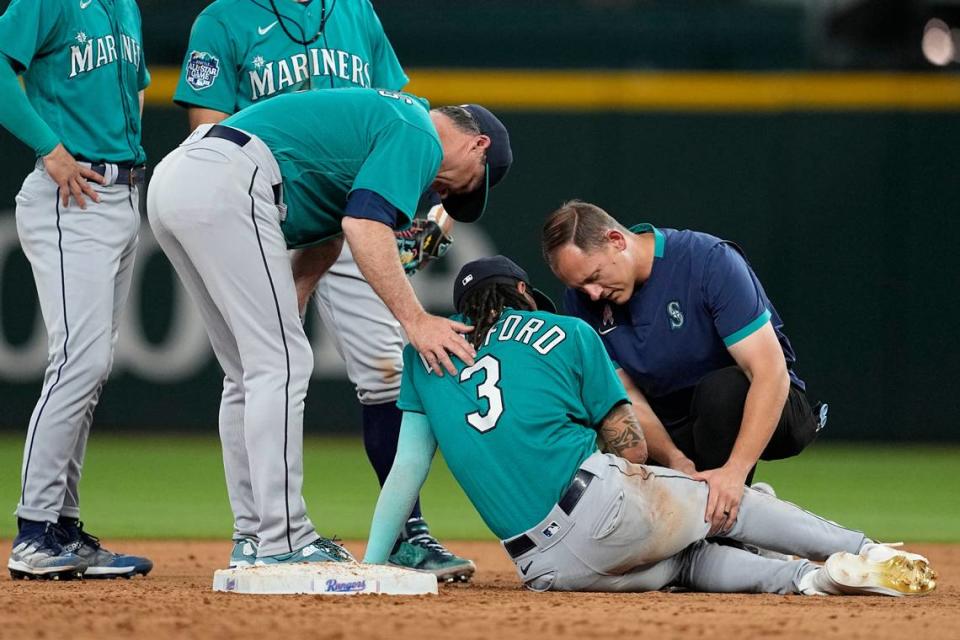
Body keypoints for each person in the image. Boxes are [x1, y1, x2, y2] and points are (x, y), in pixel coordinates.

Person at [362, 255, 937, 596]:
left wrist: (371, 566)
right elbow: (631, 443)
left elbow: (407, 468)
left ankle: (808, 582)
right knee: (722, 498)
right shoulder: (568, 333)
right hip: (602, 505)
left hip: (546, 569)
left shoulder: (426, 355)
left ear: (464, 314)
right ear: (520, 292)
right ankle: (866, 551)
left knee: (683, 564)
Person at [146, 87, 512, 567]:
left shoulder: (387, 124)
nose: (448, 194)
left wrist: (295, 292)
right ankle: (286, 539)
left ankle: (254, 537)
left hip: (178, 178)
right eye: (468, 185)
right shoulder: (417, 130)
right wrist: (416, 320)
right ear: (478, 145)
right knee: (281, 363)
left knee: (247, 372)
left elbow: (334, 230)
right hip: (230, 180)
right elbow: (364, 227)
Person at [172, 0, 470, 579]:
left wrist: (428, 213)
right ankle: (260, 531)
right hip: (265, 202)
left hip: (352, 218)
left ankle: (407, 531)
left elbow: (409, 114)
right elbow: (207, 132)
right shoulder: (224, 18)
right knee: (262, 365)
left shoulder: (355, 12)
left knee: (387, 369)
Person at [541, 200, 825, 534]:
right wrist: (675, 461)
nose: (591, 293)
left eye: (595, 277)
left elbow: (769, 371)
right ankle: (748, 511)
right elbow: (626, 395)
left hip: (770, 406)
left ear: (617, 240)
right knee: (601, 426)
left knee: (721, 392)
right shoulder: (582, 301)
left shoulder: (707, 260)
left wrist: (734, 471)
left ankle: (728, 522)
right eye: (579, 286)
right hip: (678, 421)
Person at [0, 0, 153, 580]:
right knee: (78, 363)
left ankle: (61, 527)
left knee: (91, 369)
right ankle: (34, 532)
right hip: (71, 196)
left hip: (119, 191)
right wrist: (49, 146)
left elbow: (134, 86)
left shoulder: (124, 5)